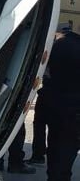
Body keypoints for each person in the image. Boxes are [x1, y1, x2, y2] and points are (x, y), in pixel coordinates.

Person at [44, 22, 80, 181]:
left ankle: (52, 180)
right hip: (74, 102)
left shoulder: (60, 43)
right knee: (69, 144)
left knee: (54, 140)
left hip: (54, 98)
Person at [30, 25, 74, 163]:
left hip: (49, 91)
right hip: (65, 95)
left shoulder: (55, 46)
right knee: (56, 128)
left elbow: (46, 68)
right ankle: (52, 158)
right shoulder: (71, 48)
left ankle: (38, 155)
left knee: (40, 123)